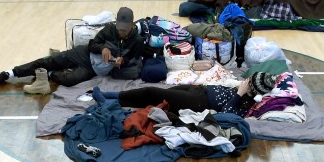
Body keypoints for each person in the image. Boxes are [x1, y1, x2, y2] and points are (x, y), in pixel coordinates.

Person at [0, 7, 144, 93]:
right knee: (50, 61)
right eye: (119, 29)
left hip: (95, 70)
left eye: (124, 30)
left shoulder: (137, 40)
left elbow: (134, 61)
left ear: (132, 25)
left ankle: (48, 73)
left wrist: (121, 62)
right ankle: (11, 73)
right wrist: (103, 48)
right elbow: (93, 44)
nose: (121, 32)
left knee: (69, 80)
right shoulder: (110, 28)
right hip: (84, 54)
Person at [90, 71, 294, 117]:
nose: (244, 82)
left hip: (198, 102)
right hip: (198, 90)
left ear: (251, 89)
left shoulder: (246, 103)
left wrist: (240, 93)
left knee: (151, 91)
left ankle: (108, 98)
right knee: (156, 98)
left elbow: (227, 115)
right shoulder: (244, 88)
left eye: (248, 83)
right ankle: (112, 100)